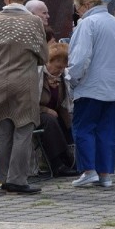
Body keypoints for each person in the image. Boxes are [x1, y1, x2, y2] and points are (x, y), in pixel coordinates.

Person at [0, 0, 48, 194]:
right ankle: (17, 180)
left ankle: (2, 177)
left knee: (3, 130)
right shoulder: (34, 22)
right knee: (23, 128)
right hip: (24, 80)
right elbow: (43, 54)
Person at [68, 0, 115, 188]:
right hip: (114, 88)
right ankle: (105, 174)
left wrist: (71, 77)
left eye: (77, 9)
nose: (78, 13)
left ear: (85, 7)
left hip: (91, 87)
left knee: (84, 128)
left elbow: (80, 57)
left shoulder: (87, 23)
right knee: (108, 131)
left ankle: (89, 171)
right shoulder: (114, 22)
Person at [37, 44, 77, 177]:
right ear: (48, 61)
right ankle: (57, 164)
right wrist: (45, 110)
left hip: (54, 112)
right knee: (50, 120)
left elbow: (63, 103)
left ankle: (73, 158)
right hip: (33, 112)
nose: (60, 71)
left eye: (63, 68)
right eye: (58, 67)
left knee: (68, 119)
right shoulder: (38, 75)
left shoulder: (61, 77)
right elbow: (28, 102)